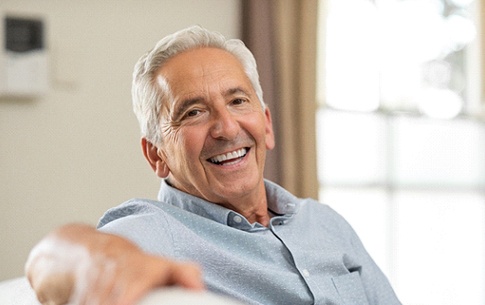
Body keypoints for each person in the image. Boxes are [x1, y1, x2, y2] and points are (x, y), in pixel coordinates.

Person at [25, 26, 401, 305]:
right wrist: (101, 264)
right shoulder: (157, 233)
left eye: (238, 101)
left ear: (266, 124)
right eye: (193, 112)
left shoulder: (326, 223)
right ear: (157, 155)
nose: (226, 127)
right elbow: (48, 260)